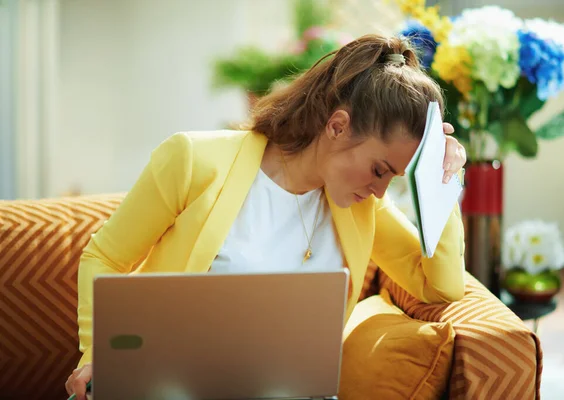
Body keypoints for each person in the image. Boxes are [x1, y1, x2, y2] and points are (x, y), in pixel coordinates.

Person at [65, 33, 467, 399]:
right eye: (379, 170)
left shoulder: (363, 206)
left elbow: (440, 287)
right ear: (338, 126)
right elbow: (105, 257)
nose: (381, 190)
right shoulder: (192, 159)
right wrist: (96, 353)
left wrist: (444, 181)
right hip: (173, 388)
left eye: (394, 176)